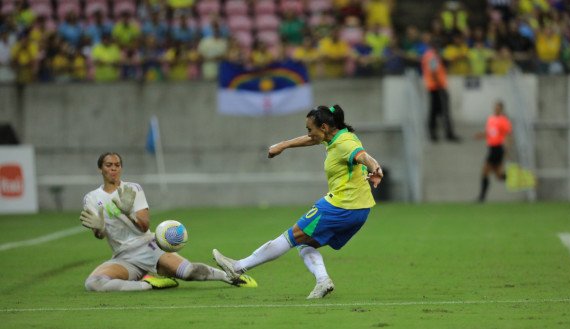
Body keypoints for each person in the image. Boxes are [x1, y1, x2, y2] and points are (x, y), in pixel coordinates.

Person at [212, 104, 384, 299]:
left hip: (340, 207)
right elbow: (312, 140)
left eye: (310, 129)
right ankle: (323, 281)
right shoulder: (336, 137)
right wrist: (283, 145)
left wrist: (375, 168)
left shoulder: (345, 144)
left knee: (290, 237)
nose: (309, 134)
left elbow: (362, 156)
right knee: (305, 246)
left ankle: (238, 267)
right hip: (360, 211)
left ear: (324, 127)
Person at [79, 152, 257, 291]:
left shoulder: (132, 189)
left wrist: (129, 213)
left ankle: (229, 276)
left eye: (117, 165)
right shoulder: (92, 198)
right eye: (108, 165)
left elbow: (144, 226)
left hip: (147, 246)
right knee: (94, 283)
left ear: (121, 168)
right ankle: (150, 285)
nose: (113, 169)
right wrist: (100, 228)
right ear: (100, 169)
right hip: (123, 256)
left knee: (188, 272)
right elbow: (99, 234)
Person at [421, 41, 460, 142]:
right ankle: (448, 134)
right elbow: (434, 71)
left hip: (432, 87)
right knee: (444, 111)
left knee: (433, 112)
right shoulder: (433, 56)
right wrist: (439, 86)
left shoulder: (427, 55)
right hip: (438, 87)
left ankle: (433, 134)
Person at [475, 101, 512, 202]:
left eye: (498, 108)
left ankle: (481, 197)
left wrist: (507, 149)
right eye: (495, 107)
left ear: (501, 109)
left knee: (484, 172)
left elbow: (508, 135)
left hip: (498, 148)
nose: (496, 109)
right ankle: (513, 177)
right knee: (499, 176)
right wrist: (481, 135)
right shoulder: (490, 119)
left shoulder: (504, 121)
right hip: (491, 148)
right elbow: (490, 133)